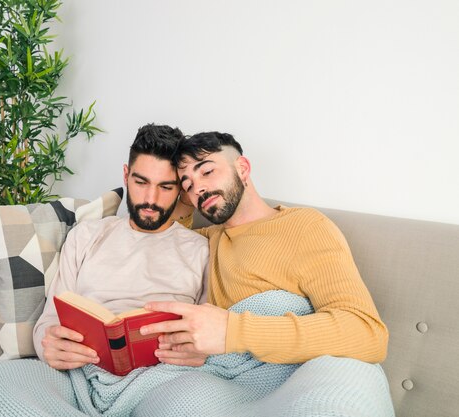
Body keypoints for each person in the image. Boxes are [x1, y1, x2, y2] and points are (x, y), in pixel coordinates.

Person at [142, 131, 389, 365]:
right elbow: (160, 239)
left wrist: (232, 331)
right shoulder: (209, 238)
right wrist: (183, 198)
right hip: (224, 375)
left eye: (207, 171)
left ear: (242, 168)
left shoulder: (304, 226)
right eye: (188, 186)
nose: (198, 189)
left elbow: (366, 332)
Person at [33, 124, 209, 370]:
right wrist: (48, 345)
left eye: (165, 187)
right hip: (85, 370)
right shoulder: (86, 236)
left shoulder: (201, 250)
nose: (150, 199)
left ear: (180, 188)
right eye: (141, 182)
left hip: (167, 376)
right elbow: (49, 320)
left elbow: (211, 332)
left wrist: (202, 353)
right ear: (126, 176)